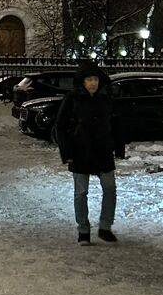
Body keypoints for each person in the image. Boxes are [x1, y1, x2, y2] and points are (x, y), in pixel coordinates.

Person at [52, 59, 124, 245]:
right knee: (81, 192)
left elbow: (116, 123)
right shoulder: (72, 98)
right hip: (80, 151)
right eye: (89, 79)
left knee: (110, 188)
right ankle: (83, 230)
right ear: (82, 82)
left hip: (103, 150)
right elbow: (60, 126)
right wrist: (67, 152)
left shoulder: (106, 98)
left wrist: (118, 146)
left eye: (95, 79)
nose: (93, 83)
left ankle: (105, 227)